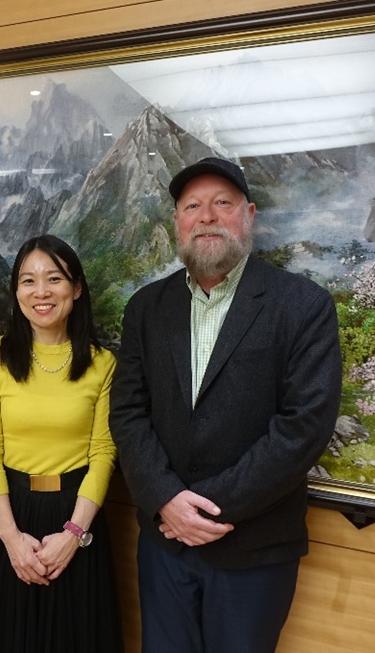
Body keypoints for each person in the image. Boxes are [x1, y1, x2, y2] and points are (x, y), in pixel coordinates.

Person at [109, 157, 342, 653]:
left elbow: (303, 427)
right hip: (164, 541)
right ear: (178, 221)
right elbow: (128, 413)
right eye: (192, 206)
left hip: (253, 547)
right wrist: (167, 500)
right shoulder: (146, 308)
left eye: (222, 203)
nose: (207, 217)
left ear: (249, 214)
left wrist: (207, 511)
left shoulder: (303, 305)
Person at [0, 235, 123, 653]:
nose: (41, 292)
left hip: (77, 515)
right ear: (16, 292)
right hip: (9, 515)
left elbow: (103, 453)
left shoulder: (102, 363)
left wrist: (73, 534)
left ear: (76, 288)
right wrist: (11, 538)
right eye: (28, 281)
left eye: (54, 279)